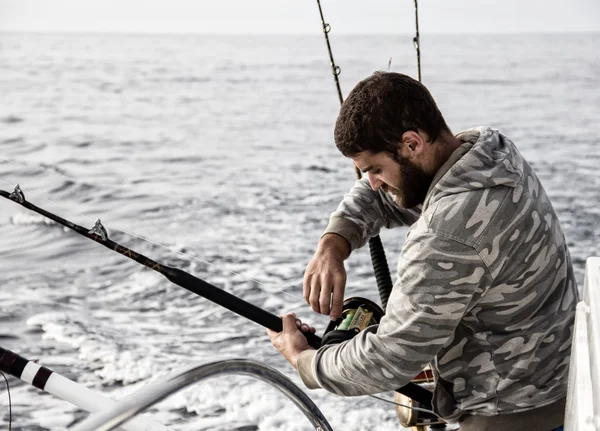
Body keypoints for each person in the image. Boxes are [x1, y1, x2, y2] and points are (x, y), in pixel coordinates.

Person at [267, 71, 577, 431]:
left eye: (375, 168)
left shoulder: (447, 233)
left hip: (510, 415)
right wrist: (332, 244)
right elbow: (384, 197)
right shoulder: (490, 154)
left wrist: (305, 359)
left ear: (412, 143)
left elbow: (388, 358)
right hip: (555, 385)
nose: (373, 182)